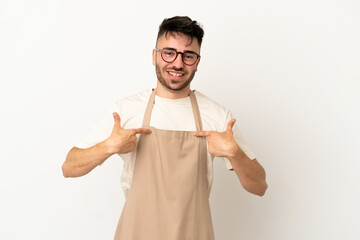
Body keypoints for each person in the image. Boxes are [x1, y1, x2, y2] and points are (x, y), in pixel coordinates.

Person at [62, 16, 267, 240]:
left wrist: (234, 154)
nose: (178, 64)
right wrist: (108, 146)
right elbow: (69, 168)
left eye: (188, 56)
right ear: (155, 56)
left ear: (197, 62)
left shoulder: (218, 117)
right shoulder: (127, 110)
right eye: (169, 53)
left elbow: (259, 186)